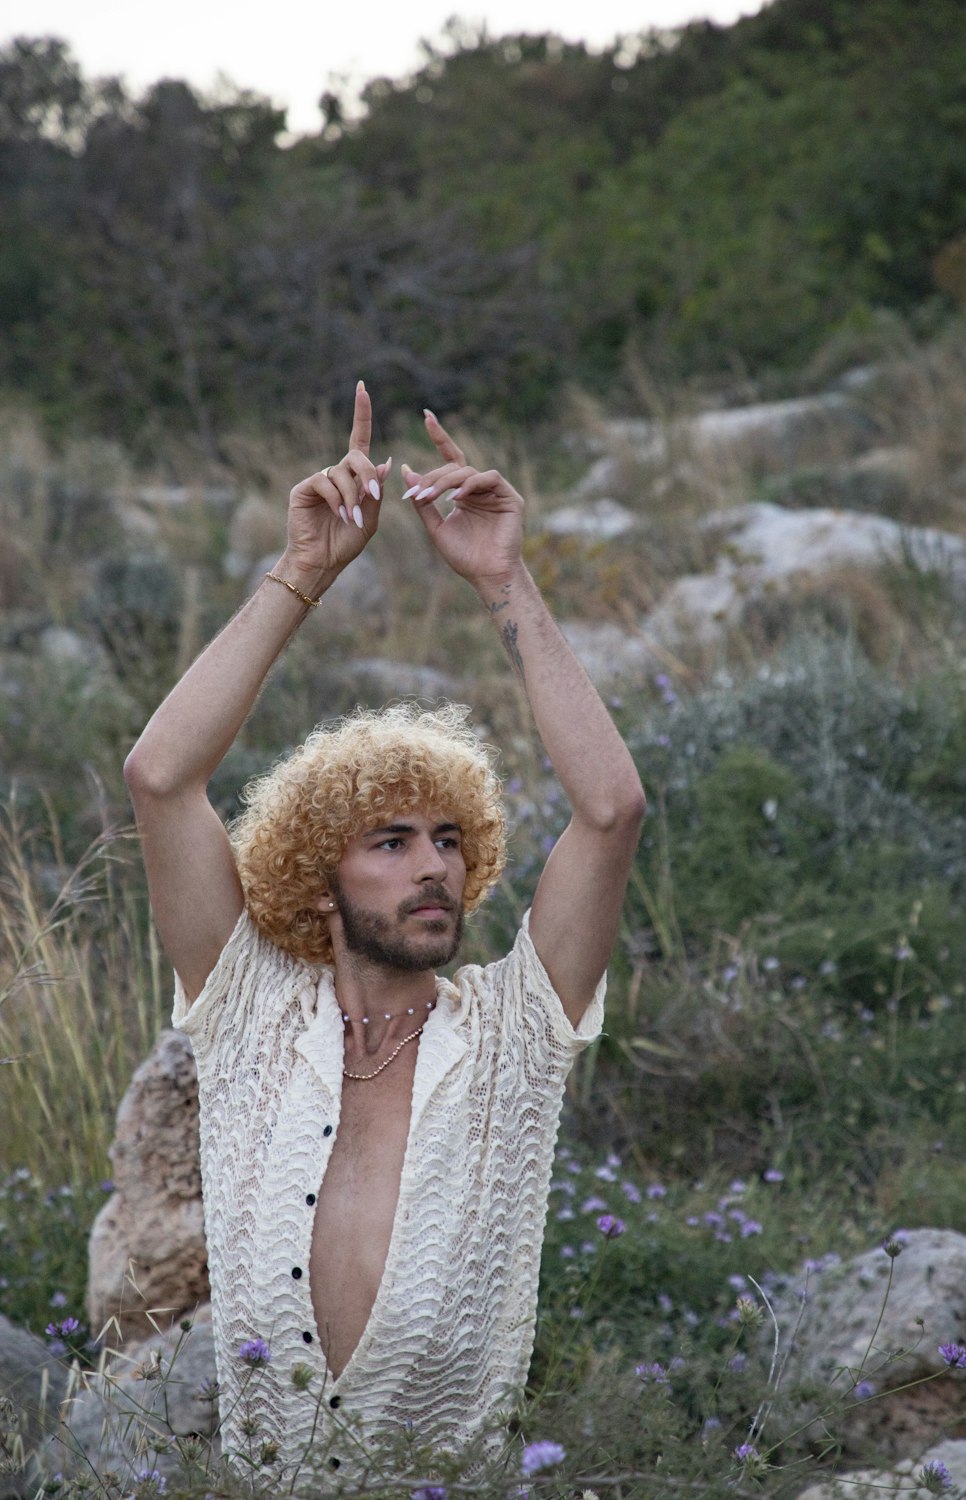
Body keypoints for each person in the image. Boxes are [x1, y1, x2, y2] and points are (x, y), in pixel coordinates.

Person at [123, 382, 645, 1488]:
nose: (433, 867)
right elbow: (160, 778)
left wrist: (503, 578)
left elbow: (609, 811)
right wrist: (301, 574)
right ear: (318, 881)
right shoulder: (249, 1014)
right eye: (392, 842)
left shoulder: (514, 1034)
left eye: (450, 841)